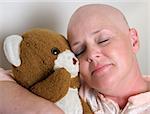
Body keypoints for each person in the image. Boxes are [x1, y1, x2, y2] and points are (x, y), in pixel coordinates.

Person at [0, 3, 150, 114]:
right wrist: (44, 110)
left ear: (133, 40)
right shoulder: (72, 84)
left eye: (103, 40)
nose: (91, 54)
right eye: (79, 51)